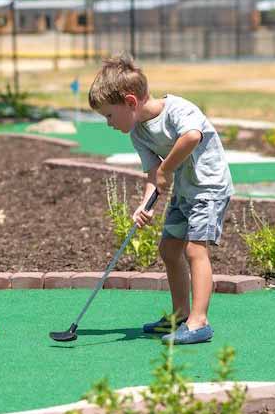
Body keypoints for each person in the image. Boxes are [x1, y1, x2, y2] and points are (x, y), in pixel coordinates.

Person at [88, 54, 233, 345]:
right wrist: (145, 205)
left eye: (108, 115)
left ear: (130, 102)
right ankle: (180, 314)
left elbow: (192, 137)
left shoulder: (178, 109)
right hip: (184, 191)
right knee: (169, 249)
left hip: (209, 187)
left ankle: (199, 321)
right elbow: (154, 174)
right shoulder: (138, 133)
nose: (108, 123)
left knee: (195, 250)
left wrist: (167, 169)